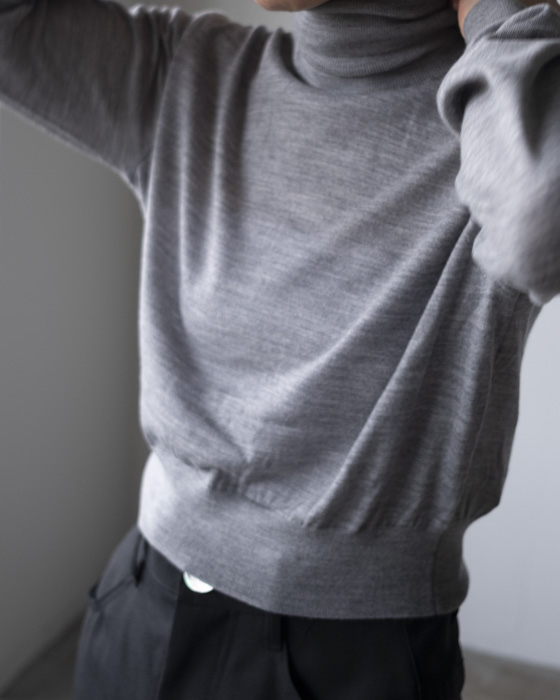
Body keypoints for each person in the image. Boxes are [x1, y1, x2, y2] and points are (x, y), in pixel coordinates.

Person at [1, 0, 559, 697]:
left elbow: (540, 223)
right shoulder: (185, 71)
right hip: (146, 605)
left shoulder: (500, 107)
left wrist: (493, 9)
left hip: (359, 652)